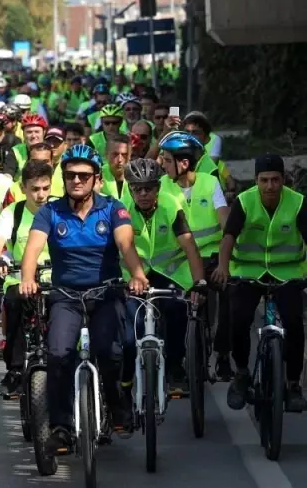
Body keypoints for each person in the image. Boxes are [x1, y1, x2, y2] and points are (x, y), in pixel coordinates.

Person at [19, 144, 149, 448]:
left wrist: (138, 274)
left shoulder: (112, 208)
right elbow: (33, 248)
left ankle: (118, 407)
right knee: (59, 353)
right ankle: (61, 426)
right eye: (70, 175)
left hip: (105, 293)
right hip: (65, 296)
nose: (76, 181)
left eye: (83, 175)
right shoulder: (50, 211)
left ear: (96, 179)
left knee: (108, 351)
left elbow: (126, 245)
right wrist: (27, 278)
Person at [215, 154, 307, 412]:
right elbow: (228, 237)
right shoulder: (245, 202)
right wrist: (223, 267)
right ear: (256, 181)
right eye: (264, 180)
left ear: (283, 180)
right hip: (248, 271)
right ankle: (242, 373)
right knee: (239, 318)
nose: (269, 186)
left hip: (288, 272)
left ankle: (292, 385)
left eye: (275, 180)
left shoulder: (298, 202)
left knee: (293, 322)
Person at [120, 158, 206, 395]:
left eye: (149, 188)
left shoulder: (171, 205)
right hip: (133, 276)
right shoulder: (122, 210)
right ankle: (125, 384)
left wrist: (199, 283)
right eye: (138, 189)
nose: (144, 194)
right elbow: (119, 246)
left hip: (170, 274)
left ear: (158, 188)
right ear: (130, 190)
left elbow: (190, 248)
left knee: (177, 309)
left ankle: (175, 367)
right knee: (129, 332)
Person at [158, 130, 229, 376]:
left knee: (231, 295)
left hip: (210, 258)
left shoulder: (210, 182)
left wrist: (223, 262)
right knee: (171, 308)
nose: (162, 164)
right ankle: (174, 362)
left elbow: (225, 221)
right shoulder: (161, 185)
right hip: (177, 263)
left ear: (184, 163)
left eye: (166, 160)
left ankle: (223, 354)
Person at [0, 161, 53, 397]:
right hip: (19, 280)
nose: (41, 195)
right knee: (13, 303)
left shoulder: (59, 209)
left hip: (54, 280)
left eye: (46, 188)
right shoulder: (12, 212)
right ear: (23, 188)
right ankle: (15, 371)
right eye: (35, 189)